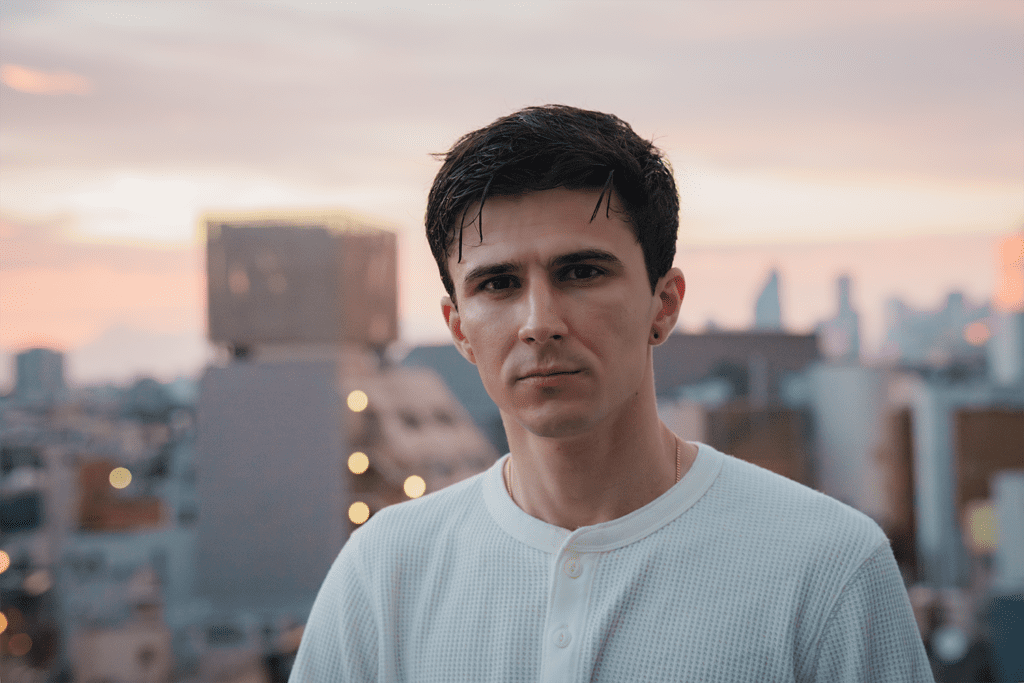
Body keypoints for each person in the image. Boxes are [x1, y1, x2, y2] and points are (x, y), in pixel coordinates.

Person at [290, 105, 934, 682]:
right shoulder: (385, 572)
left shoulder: (827, 566)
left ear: (665, 302)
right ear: (458, 327)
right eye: (497, 284)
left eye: (581, 272)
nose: (539, 320)